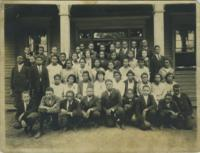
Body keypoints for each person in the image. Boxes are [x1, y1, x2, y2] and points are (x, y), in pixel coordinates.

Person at [11, 56, 30, 122]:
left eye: (21, 58)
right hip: (16, 89)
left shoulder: (27, 68)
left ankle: (24, 116)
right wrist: (12, 89)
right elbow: (12, 79)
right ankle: (18, 116)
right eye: (18, 58)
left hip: (24, 89)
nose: (19, 59)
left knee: (24, 102)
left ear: (23, 60)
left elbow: (29, 79)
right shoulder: (14, 68)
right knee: (17, 103)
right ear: (16, 60)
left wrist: (27, 88)